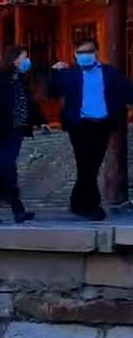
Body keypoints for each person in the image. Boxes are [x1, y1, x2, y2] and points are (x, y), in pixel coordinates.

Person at [51, 36, 133, 220]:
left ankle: (77, 202)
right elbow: (52, 91)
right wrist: (54, 72)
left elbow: (128, 91)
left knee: (91, 165)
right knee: (85, 164)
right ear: (75, 55)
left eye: (88, 51)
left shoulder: (110, 73)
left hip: (101, 124)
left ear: (96, 52)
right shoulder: (70, 74)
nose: (84, 56)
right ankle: (90, 205)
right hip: (79, 125)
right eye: (80, 52)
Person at [0, 46, 37, 224]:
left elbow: (29, 104)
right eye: (24, 57)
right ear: (15, 60)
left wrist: (41, 121)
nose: (27, 61)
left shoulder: (20, 80)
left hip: (17, 130)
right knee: (7, 168)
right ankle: (16, 209)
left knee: (4, 170)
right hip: (1, 132)